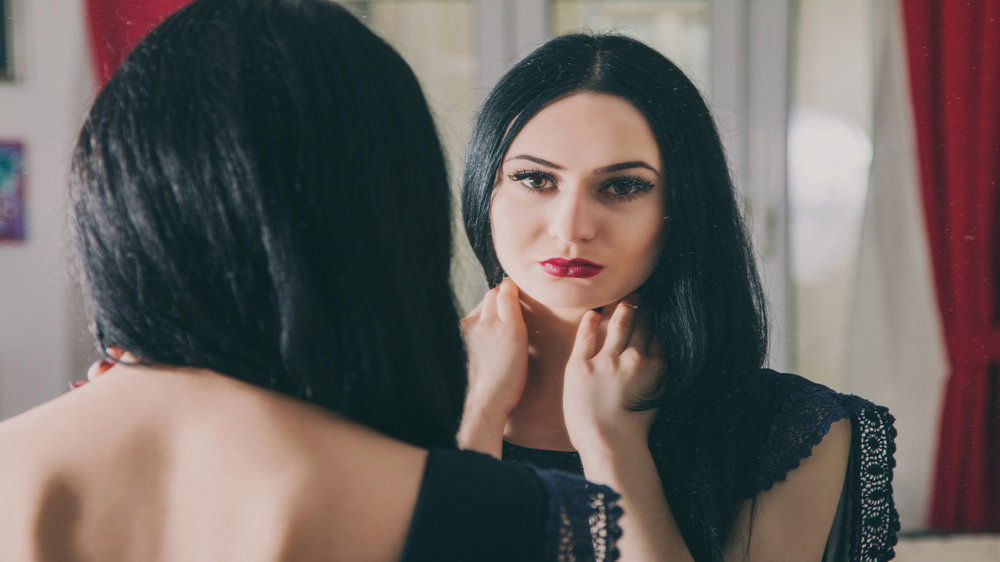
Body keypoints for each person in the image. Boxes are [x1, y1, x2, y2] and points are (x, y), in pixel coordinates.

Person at [0, 3, 626, 560]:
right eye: (535, 180)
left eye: (622, 186)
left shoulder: (18, 468)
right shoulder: (510, 511)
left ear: (116, 195)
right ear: (390, 221)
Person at [458, 33, 899, 561]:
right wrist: (478, 420)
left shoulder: (790, 429)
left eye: (622, 187)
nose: (571, 229)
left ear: (681, 209)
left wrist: (612, 445)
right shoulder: (387, 405)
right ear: (485, 191)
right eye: (535, 179)